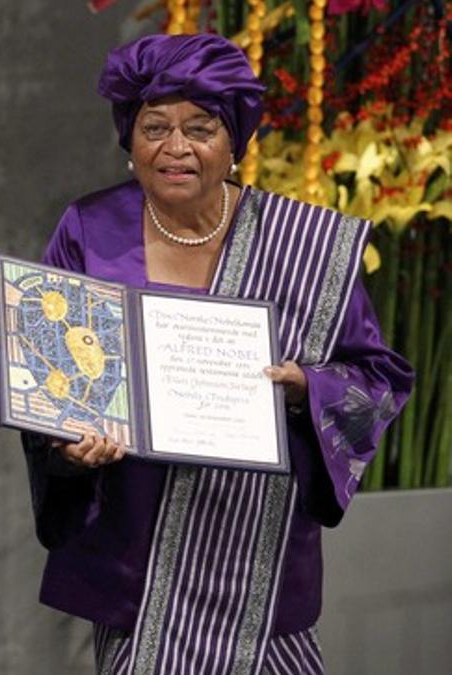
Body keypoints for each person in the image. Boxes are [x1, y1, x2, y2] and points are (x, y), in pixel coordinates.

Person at [21, 34, 414, 675]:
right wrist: (67, 447)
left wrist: (303, 388)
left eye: (199, 128)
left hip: (257, 558)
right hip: (138, 562)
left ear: (235, 141)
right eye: (154, 127)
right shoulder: (89, 228)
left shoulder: (305, 244)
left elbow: (376, 380)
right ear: (130, 140)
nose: (175, 148)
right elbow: (50, 378)